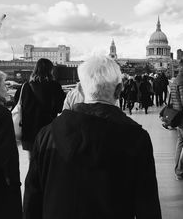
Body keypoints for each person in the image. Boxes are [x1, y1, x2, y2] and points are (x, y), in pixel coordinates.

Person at [23, 55, 161, 219]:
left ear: (80, 89)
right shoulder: (137, 138)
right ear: (119, 90)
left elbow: (32, 201)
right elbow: (147, 205)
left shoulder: (46, 135)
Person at [15, 58, 65, 157]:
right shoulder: (55, 86)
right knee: (46, 161)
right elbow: (60, 108)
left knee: (32, 162)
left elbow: (17, 104)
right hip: (47, 130)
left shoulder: (25, 86)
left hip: (29, 131)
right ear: (50, 70)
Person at [0, 69, 22, 219]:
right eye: (4, 85)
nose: (6, 89)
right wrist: (14, 183)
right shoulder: (2, 114)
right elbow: (8, 154)